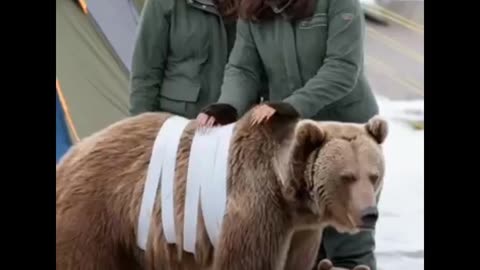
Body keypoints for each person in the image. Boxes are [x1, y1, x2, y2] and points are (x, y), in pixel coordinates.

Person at [196, 0, 381, 269]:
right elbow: (243, 68)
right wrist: (229, 105)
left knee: (348, 241)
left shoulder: (338, 4)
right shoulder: (253, 10)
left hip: (347, 136)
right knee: (298, 239)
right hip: (293, 142)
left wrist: (294, 105)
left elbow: (342, 68)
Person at [129, 0, 240, 118]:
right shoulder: (163, 3)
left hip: (228, 121)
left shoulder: (243, 6)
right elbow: (145, 74)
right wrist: (142, 127)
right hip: (175, 122)